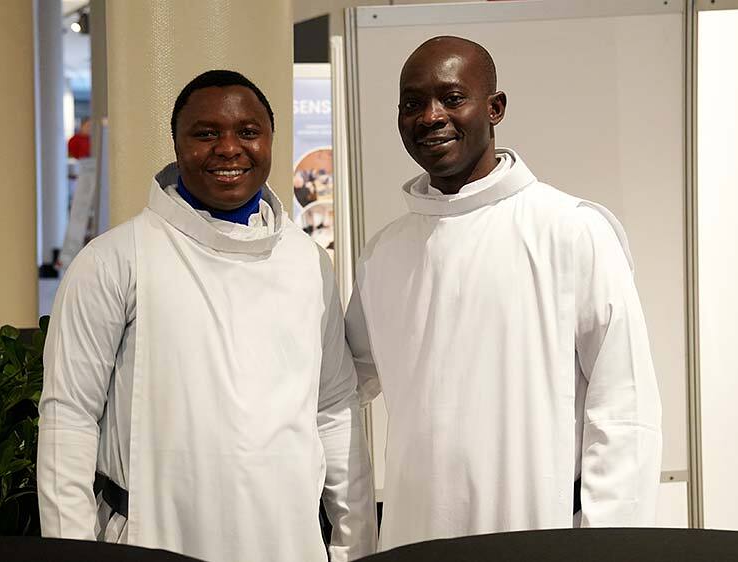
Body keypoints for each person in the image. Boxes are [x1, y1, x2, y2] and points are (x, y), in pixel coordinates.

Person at [38, 70, 377, 562]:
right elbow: (69, 415)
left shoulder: (307, 262)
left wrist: (355, 544)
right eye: (206, 133)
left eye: (248, 132)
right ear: (178, 146)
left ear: (270, 140)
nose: (229, 148)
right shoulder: (116, 259)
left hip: (287, 543)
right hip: (155, 540)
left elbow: (334, 408)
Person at [345, 36, 662, 551]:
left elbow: (625, 409)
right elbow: (345, 383)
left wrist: (608, 545)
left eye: (452, 98)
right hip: (415, 534)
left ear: (494, 108)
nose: (430, 117)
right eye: (412, 103)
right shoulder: (384, 253)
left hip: (537, 531)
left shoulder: (571, 230)